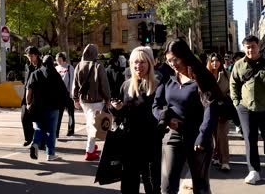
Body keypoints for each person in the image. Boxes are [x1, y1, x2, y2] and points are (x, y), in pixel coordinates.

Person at [153, 39, 220, 194]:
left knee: (201, 187)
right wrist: (166, 119)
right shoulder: (167, 77)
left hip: (198, 137)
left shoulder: (201, 76)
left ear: (184, 56)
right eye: (169, 61)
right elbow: (156, 105)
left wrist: (203, 135)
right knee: (167, 187)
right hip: (174, 136)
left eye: (175, 59)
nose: (173, 64)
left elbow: (211, 107)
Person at [230, 35, 265, 185]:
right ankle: (254, 170)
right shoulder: (239, 65)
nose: (250, 49)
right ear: (244, 48)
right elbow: (233, 84)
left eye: (252, 46)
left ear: (258, 46)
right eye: (247, 47)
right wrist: (236, 102)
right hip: (246, 108)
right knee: (249, 138)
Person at [109, 46, 161, 193]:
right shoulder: (126, 85)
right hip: (129, 143)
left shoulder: (158, 85)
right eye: (135, 62)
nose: (138, 66)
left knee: (152, 185)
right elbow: (120, 115)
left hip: (151, 144)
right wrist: (116, 108)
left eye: (142, 62)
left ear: (150, 63)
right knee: (129, 185)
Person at [72, 44, 111, 161]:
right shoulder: (98, 65)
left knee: (90, 124)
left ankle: (91, 147)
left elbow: (74, 84)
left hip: (84, 100)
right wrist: (108, 98)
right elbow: (104, 85)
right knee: (93, 126)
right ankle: (89, 151)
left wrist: (75, 98)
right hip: (97, 100)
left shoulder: (79, 65)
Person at [26, 55, 68, 161]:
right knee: (51, 131)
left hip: (38, 107)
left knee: (40, 128)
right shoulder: (56, 75)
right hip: (53, 107)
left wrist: (28, 104)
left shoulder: (35, 74)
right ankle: (50, 154)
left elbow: (29, 92)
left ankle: (35, 144)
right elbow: (63, 91)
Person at [206, 53, 232, 171]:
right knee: (214, 135)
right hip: (209, 109)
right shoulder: (206, 75)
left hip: (223, 109)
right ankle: (216, 155)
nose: (214, 63)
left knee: (222, 135)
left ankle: (225, 161)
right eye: (212, 61)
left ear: (221, 62)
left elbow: (232, 90)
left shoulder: (227, 74)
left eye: (217, 60)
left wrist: (227, 99)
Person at [21, 46, 41, 146]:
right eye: (28, 56)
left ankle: (40, 139)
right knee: (24, 117)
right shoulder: (27, 66)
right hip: (26, 95)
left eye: (31, 56)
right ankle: (29, 137)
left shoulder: (41, 66)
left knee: (38, 120)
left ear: (36, 55)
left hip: (37, 97)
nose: (30, 58)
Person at [55, 52, 75, 137]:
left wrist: (72, 94)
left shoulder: (70, 67)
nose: (58, 61)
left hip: (68, 93)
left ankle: (71, 130)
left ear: (63, 59)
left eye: (60, 60)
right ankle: (56, 132)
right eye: (57, 60)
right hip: (59, 95)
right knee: (58, 114)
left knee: (70, 113)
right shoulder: (56, 68)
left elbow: (72, 81)